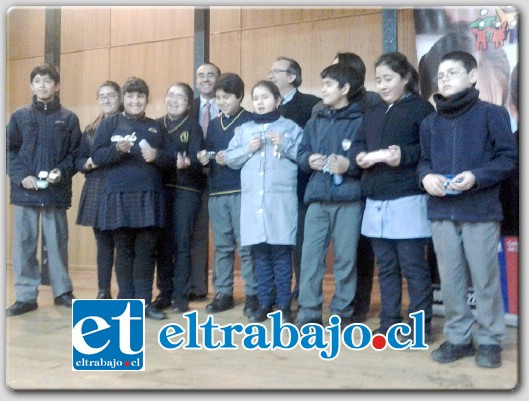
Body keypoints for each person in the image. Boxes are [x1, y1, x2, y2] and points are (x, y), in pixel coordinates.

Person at [418, 51, 518, 368]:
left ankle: (490, 340)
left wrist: (476, 177)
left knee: (485, 281)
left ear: (473, 76)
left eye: (452, 73)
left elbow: (508, 159)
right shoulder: (429, 122)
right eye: (440, 75)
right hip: (441, 212)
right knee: (451, 282)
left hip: (480, 211)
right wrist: (426, 177)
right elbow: (422, 161)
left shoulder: (493, 114)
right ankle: (459, 338)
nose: (444, 79)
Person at [353, 52, 435, 341]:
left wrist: (403, 155)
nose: (383, 85)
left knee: (413, 266)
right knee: (386, 266)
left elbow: (429, 150)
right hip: (375, 198)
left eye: (388, 79)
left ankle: (418, 327)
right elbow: (359, 142)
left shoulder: (422, 109)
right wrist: (359, 155)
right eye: (378, 80)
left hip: (408, 197)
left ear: (406, 79)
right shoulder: (373, 112)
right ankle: (389, 322)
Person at [91, 77, 175, 320]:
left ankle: (144, 303)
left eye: (140, 96)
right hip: (117, 196)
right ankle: (126, 306)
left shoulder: (157, 127)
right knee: (124, 252)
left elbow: (171, 160)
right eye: (130, 96)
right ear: (123, 99)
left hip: (150, 196)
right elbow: (96, 155)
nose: (135, 101)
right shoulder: (109, 124)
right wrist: (116, 150)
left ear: (147, 100)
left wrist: (156, 155)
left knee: (146, 252)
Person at [312, 52, 384, 323]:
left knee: (361, 251)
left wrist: (352, 163)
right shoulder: (320, 109)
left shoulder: (372, 102)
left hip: (364, 184)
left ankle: (357, 306)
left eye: (336, 71)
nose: (329, 76)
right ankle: (326, 307)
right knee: (336, 252)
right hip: (328, 189)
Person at [224, 80, 303, 324]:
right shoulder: (244, 130)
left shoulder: (290, 128)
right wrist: (248, 149)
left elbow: (304, 157)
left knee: (281, 256)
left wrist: (285, 144)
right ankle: (265, 302)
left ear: (277, 100)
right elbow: (229, 158)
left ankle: (283, 306)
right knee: (260, 257)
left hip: (280, 204)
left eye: (265, 97)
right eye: (256, 98)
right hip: (253, 204)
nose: (259, 102)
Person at [6, 63, 81, 316]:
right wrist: (21, 176)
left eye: (47, 81)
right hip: (25, 192)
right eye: (37, 80)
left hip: (54, 192)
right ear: (31, 85)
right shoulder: (19, 116)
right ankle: (26, 296)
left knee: (57, 243)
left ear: (57, 86)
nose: (42, 85)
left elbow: (75, 154)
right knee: (24, 244)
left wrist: (61, 171)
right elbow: (9, 151)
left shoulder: (69, 118)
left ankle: (62, 292)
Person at [295, 63, 365, 329]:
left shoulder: (361, 121)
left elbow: (366, 159)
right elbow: (301, 153)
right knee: (310, 257)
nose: (322, 89)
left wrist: (349, 166)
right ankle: (309, 312)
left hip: (349, 199)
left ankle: (342, 312)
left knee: (346, 258)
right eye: (322, 84)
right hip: (317, 198)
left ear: (345, 89)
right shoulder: (315, 121)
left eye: (328, 85)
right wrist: (308, 159)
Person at [197, 73, 258, 316]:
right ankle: (223, 292)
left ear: (240, 97)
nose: (221, 102)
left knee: (247, 246)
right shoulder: (213, 124)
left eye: (227, 98)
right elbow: (211, 154)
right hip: (217, 191)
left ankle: (253, 293)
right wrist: (205, 158)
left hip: (243, 191)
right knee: (222, 246)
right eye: (218, 98)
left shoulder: (251, 120)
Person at [268, 56, 320, 302]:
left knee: (301, 242)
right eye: (270, 71)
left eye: (276, 71)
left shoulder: (311, 105)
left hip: (300, 184)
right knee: (275, 242)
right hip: (271, 187)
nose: (271, 76)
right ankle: (277, 292)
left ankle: (302, 290)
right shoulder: (266, 107)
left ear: (292, 76)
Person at [153, 83, 205, 314]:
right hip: (161, 190)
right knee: (162, 244)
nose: (174, 100)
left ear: (188, 104)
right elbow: (153, 156)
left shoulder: (193, 127)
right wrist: (174, 158)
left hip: (187, 191)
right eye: (170, 95)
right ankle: (164, 292)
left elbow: (196, 159)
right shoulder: (156, 125)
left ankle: (181, 296)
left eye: (180, 97)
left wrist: (186, 161)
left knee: (182, 244)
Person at [75, 81, 122, 299]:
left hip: (122, 189)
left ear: (120, 98)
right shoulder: (90, 129)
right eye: (102, 96)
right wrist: (90, 163)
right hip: (96, 187)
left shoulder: (128, 124)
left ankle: (126, 291)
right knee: (102, 244)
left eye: (111, 95)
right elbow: (79, 160)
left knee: (123, 244)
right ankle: (103, 290)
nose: (106, 100)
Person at [189, 62, 222, 301]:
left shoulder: (228, 104)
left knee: (223, 235)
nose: (205, 79)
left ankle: (223, 289)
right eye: (201, 76)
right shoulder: (187, 107)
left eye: (211, 75)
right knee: (197, 234)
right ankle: (198, 288)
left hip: (223, 177)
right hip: (193, 179)